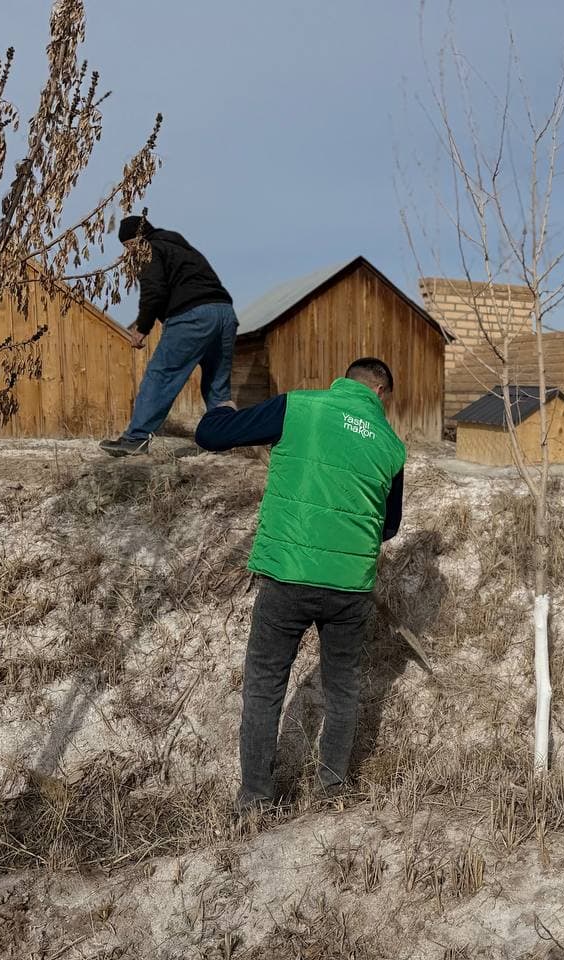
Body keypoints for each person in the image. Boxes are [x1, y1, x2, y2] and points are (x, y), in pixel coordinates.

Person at [194, 358, 406, 812]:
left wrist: (220, 409)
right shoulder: (391, 445)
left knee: (265, 685)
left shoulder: (300, 407)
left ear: (343, 380)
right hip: (350, 589)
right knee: (344, 687)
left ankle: (254, 798)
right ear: (381, 393)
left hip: (287, 576)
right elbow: (387, 528)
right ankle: (332, 789)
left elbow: (211, 436)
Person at [100, 215, 238, 456]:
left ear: (135, 240)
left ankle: (136, 438)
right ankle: (228, 439)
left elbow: (154, 291)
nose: (128, 253)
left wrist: (142, 328)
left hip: (192, 316)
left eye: (127, 246)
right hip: (225, 313)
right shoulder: (179, 247)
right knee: (217, 381)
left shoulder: (148, 248)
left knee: (161, 375)